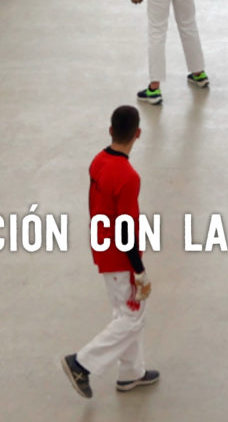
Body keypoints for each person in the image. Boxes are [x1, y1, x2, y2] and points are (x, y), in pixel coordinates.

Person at [61, 104, 158, 399]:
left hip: (102, 248)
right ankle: (82, 363)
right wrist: (138, 271)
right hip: (120, 257)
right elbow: (126, 229)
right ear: (138, 133)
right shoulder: (128, 176)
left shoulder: (98, 161)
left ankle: (131, 373)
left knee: (126, 313)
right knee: (131, 318)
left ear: (111, 130)